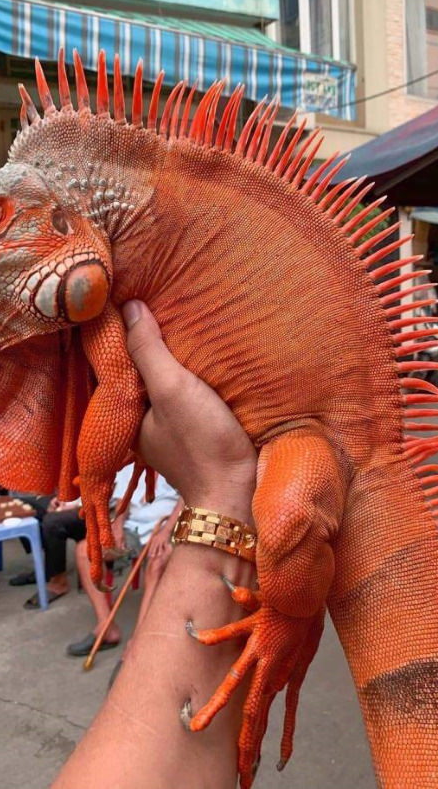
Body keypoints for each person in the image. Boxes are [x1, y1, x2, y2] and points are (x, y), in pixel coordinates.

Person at [52, 301, 258, 789]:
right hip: (159, 517)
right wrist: (111, 519)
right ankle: (110, 627)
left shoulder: (169, 408)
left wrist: (192, 518)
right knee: (87, 550)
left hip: (176, 520)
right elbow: (124, 485)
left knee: (161, 564)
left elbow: (178, 496)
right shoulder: (124, 420)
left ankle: (140, 651)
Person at [66, 464, 182, 657]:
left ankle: (138, 641)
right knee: (84, 551)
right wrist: (117, 526)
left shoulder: (175, 459)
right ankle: (106, 627)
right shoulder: (133, 463)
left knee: (157, 563)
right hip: (133, 528)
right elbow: (123, 500)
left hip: (165, 528)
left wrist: (166, 531)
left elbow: (186, 500)